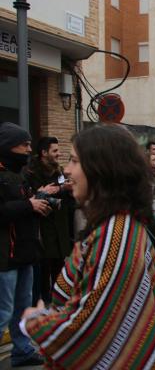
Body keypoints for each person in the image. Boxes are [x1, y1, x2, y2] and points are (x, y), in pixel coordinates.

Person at [20, 124, 155, 369]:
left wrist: (35, 321)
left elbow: (92, 328)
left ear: (101, 170)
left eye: (75, 161)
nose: (67, 170)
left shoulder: (117, 233)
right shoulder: (117, 226)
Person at [0, 122, 45, 367]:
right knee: (3, 312)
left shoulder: (20, 174)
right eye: (24, 144)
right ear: (8, 146)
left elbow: (24, 204)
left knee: (21, 308)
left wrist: (42, 199)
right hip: (5, 256)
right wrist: (29, 205)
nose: (29, 149)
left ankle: (22, 350)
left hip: (25, 253)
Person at [25, 137, 74, 305]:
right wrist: (60, 189)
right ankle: (44, 306)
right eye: (55, 151)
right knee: (43, 276)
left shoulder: (59, 171)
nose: (58, 153)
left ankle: (59, 305)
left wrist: (67, 189)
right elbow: (36, 198)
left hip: (61, 231)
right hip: (42, 234)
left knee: (60, 274)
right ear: (44, 153)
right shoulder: (30, 174)